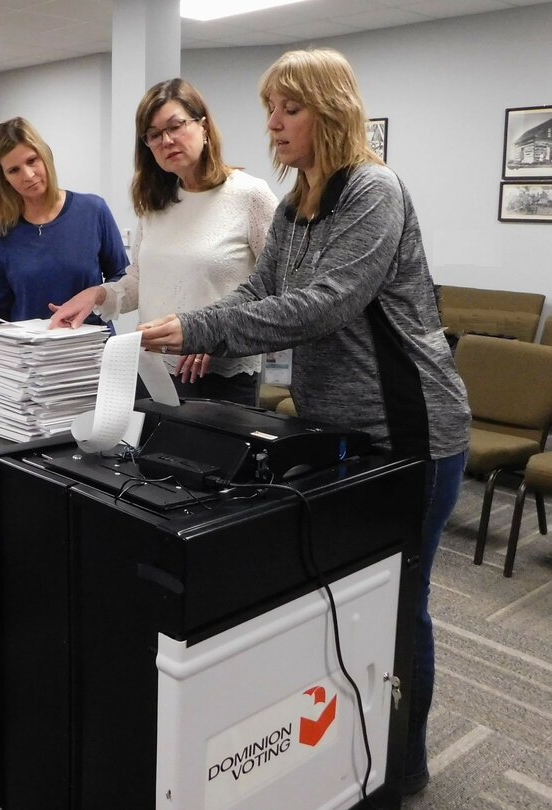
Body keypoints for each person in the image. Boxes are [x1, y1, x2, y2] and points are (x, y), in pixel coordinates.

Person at [138, 48, 471, 797]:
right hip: (330, 425)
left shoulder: (373, 192)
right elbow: (258, 290)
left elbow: (326, 303)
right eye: (269, 110)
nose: (273, 124)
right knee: (345, 591)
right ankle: (342, 750)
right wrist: (189, 324)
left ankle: (403, 763)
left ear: (331, 110)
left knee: (401, 597)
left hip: (411, 429)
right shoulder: (295, 204)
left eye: (290, 109)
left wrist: (198, 330)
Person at [48, 78, 277, 406]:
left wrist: (216, 335)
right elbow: (141, 282)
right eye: (154, 135)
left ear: (204, 126)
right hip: (153, 369)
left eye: (176, 126)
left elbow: (277, 288)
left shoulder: (249, 195)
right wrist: (98, 294)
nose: (166, 140)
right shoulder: (156, 204)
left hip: (219, 377)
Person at [0, 117, 128, 325]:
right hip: (31, 353)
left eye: (32, 161)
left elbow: (123, 278)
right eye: (14, 170)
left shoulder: (93, 210)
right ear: (3, 178)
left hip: (91, 347)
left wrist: (98, 294)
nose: (28, 175)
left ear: (45, 156)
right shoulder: (0, 232)